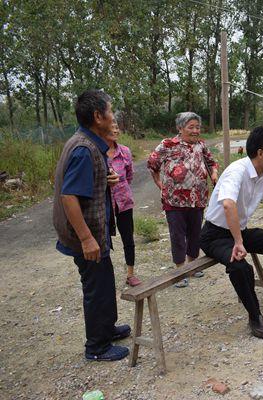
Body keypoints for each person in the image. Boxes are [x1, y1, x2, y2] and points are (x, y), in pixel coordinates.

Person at [199, 126, 263, 339]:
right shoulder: (237, 171)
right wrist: (238, 242)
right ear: (260, 153)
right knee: (239, 266)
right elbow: (228, 205)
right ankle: (255, 316)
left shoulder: (262, 173)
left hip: (238, 231)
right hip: (215, 235)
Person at [53, 89, 130, 361]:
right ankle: (97, 347)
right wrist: (87, 239)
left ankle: (106, 330)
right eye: (110, 110)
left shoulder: (86, 142)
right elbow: (68, 195)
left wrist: (102, 180)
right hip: (87, 237)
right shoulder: (84, 149)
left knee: (105, 283)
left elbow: (82, 185)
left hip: (95, 233)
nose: (113, 116)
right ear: (98, 117)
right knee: (96, 289)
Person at [147, 112, 218, 288]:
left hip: (198, 198)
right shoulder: (167, 145)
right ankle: (180, 271)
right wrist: (159, 183)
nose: (195, 131)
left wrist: (214, 173)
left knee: (195, 233)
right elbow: (152, 164)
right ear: (180, 128)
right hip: (174, 200)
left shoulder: (201, 145)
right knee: (178, 235)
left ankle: (192, 266)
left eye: (198, 127)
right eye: (191, 127)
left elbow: (211, 162)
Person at [106, 117, 140, 286]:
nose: (115, 130)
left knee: (128, 238)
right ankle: (105, 276)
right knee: (104, 239)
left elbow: (129, 176)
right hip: (104, 204)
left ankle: (130, 274)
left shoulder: (125, 151)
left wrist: (121, 189)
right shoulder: (97, 153)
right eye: (111, 127)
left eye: (117, 127)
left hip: (124, 201)